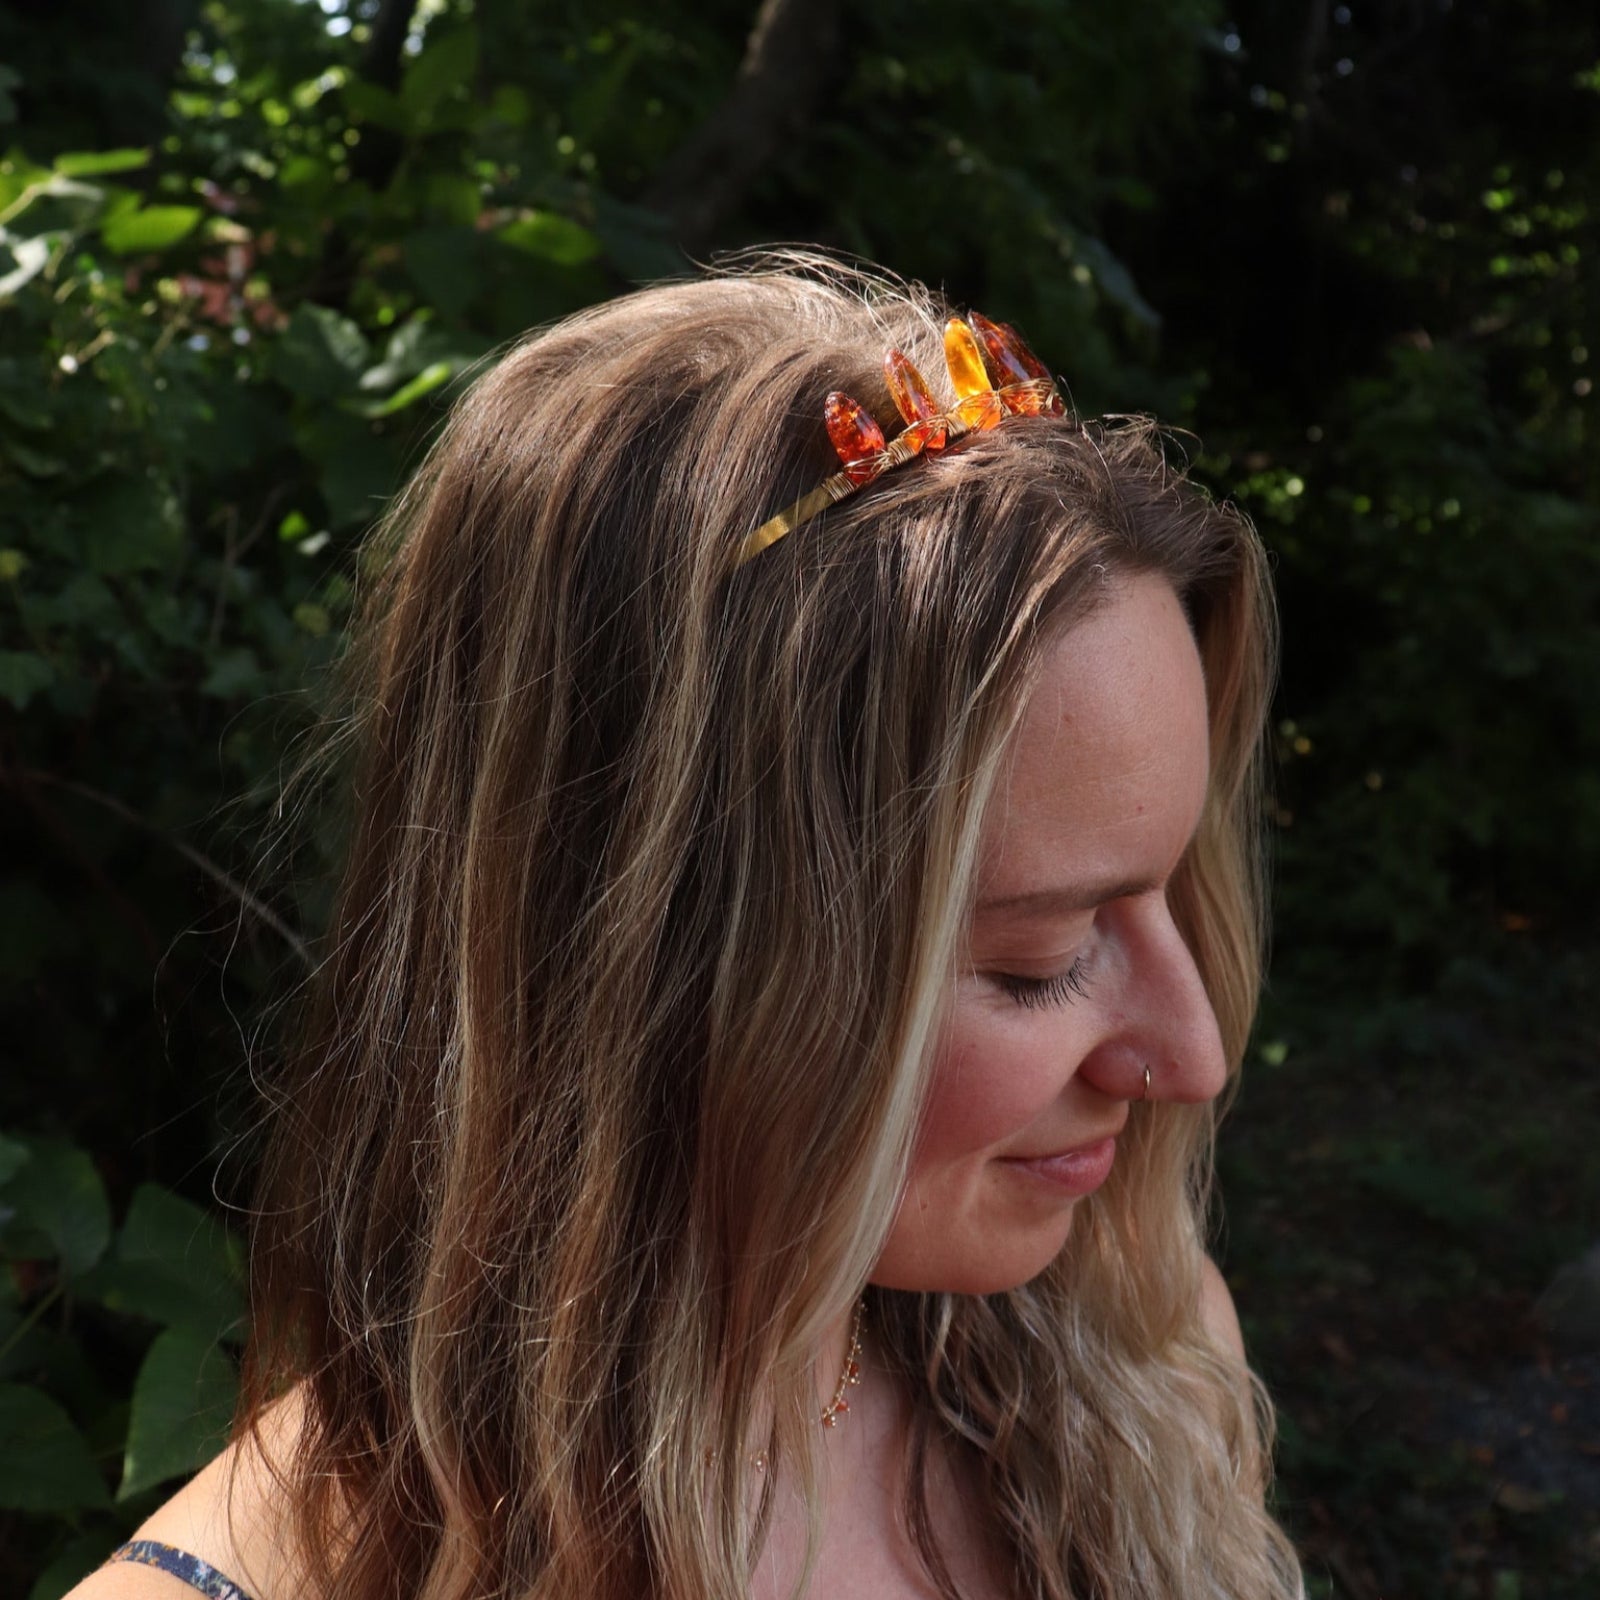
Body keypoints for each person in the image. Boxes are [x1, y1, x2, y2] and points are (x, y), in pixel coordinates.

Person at [73, 258, 1305, 1600]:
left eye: (1171, 894)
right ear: (653, 958)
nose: (1190, 1058)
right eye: (1039, 962)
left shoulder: (1136, 1378)